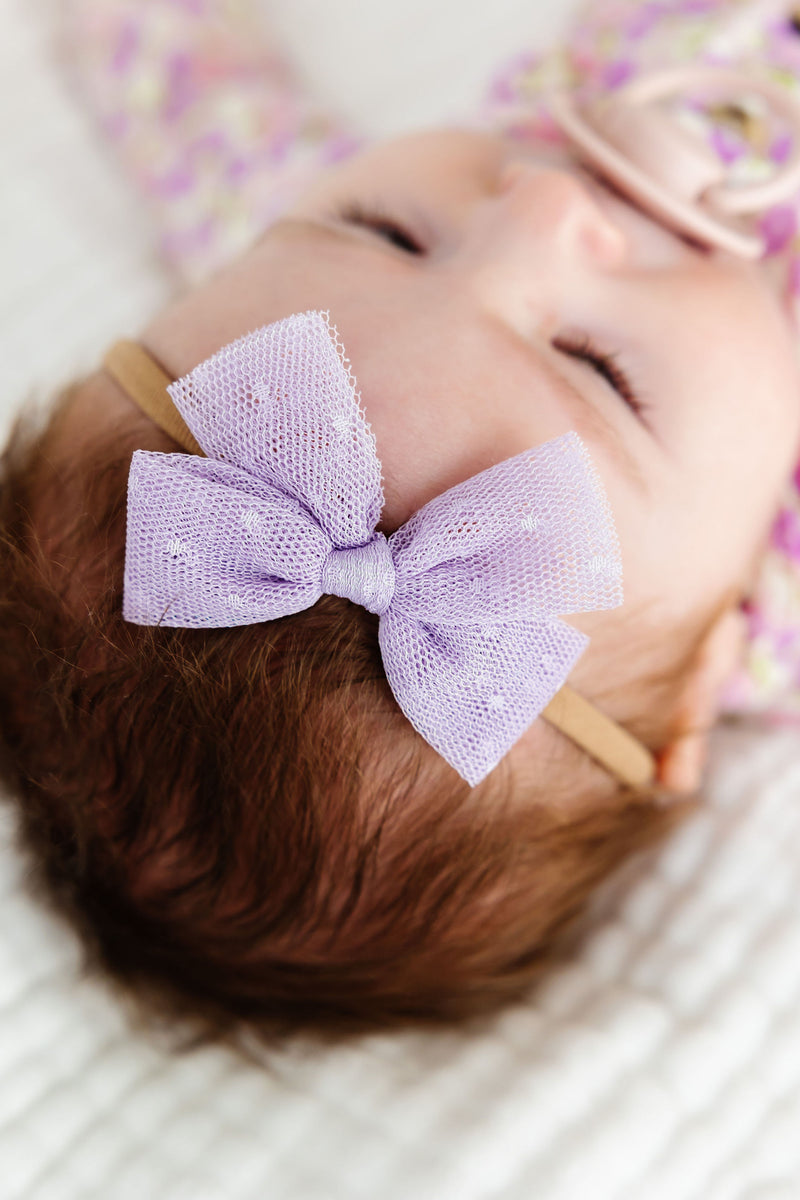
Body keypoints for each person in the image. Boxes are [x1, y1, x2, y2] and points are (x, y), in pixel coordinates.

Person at [1, 0, 799, 1046]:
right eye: (598, 370)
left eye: (387, 229)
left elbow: (176, 75)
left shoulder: (278, 285)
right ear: (706, 675)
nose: (542, 205)